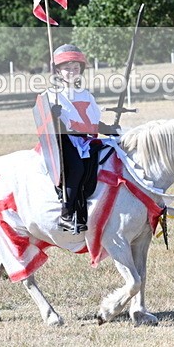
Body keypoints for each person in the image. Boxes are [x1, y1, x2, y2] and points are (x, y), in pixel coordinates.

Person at [48, 44, 119, 233]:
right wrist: (53, 115)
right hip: (65, 142)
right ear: (57, 70)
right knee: (76, 168)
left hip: (86, 141)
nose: (72, 72)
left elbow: (92, 120)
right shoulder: (53, 95)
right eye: (67, 68)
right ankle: (67, 213)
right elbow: (49, 123)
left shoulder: (86, 94)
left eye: (76, 68)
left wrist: (109, 129)